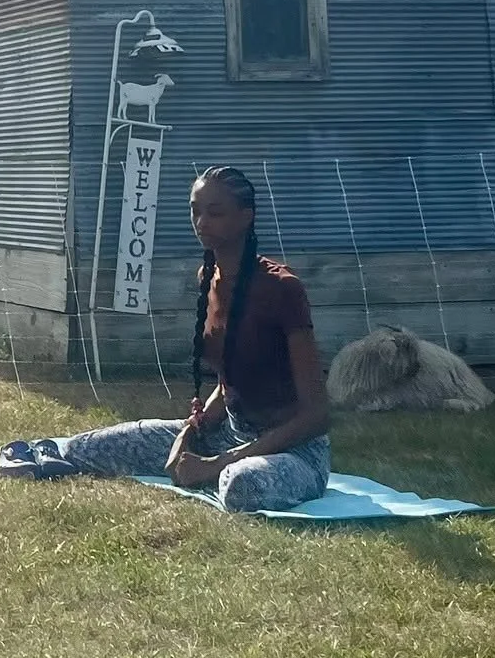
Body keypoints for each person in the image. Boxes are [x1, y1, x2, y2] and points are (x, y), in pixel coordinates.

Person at [54, 165, 332, 512]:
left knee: (241, 485)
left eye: (215, 213)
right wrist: (187, 436)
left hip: (290, 452)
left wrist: (216, 463)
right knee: (87, 448)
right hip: (226, 434)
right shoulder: (208, 276)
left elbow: (316, 416)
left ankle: (222, 471)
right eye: (195, 210)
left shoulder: (281, 288)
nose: (201, 222)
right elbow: (229, 383)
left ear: (246, 217)